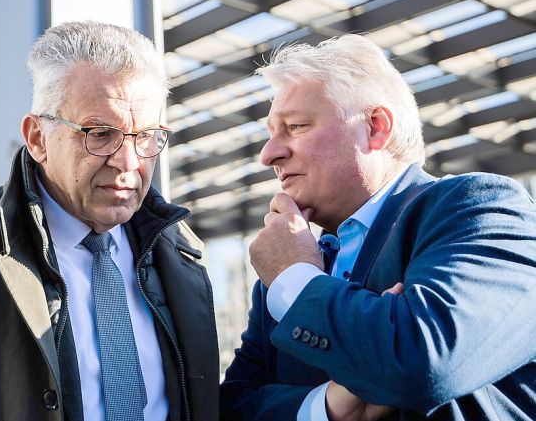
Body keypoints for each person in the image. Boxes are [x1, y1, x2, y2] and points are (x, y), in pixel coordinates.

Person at [0, 21, 220, 421]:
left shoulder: (181, 251)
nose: (128, 162)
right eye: (100, 133)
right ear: (38, 138)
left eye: (145, 136)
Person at [220, 34, 536, 420]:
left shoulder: (478, 206)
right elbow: (233, 406)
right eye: (271, 132)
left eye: (296, 126)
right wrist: (326, 407)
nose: (269, 153)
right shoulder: (284, 270)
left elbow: (425, 360)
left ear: (375, 127)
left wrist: (297, 280)